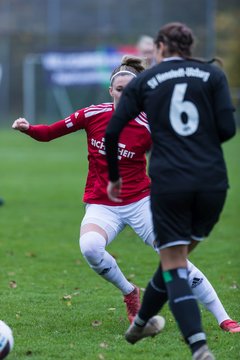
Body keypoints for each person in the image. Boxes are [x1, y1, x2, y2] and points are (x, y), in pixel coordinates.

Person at [12, 55, 238, 336]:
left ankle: (224, 318)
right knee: (90, 247)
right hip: (102, 204)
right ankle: (130, 292)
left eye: (130, 90)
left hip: (141, 203)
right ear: (111, 91)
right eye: (119, 90)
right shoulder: (93, 114)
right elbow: (49, 133)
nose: (124, 94)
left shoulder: (149, 125)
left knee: (176, 258)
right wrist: (27, 128)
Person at [105, 24, 236, 359]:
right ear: (190, 48)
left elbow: (114, 128)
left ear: (161, 47)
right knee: (173, 258)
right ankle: (142, 323)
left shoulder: (147, 79)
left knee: (174, 262)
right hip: (212, 183)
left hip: (170, 182)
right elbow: (227, 129)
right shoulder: (213, 74)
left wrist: (115, 176)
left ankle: (199, 347)